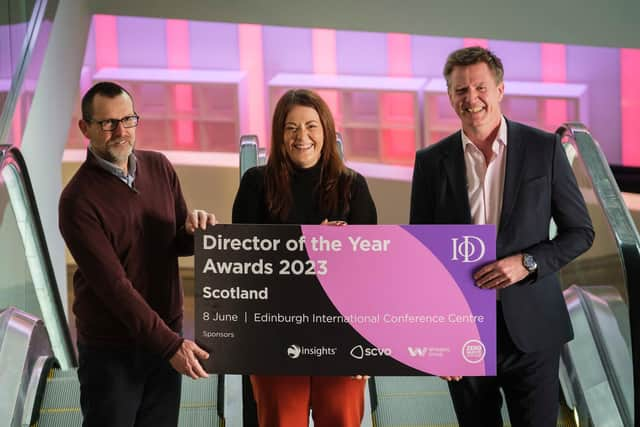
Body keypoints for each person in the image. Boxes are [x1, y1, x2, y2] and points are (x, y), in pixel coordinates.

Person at [410, 47, 594, 427]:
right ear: (449, 96)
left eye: (480, 87)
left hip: (533, 328)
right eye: (460, 90)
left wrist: (527, 263)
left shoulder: (544, 149)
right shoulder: (431, 162)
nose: (471, 99)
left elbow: (580, 232)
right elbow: (422, 256)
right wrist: (436, 340)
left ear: (500, 90)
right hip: (463, 331)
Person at [59, 81, 215, 427]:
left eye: (128, 120)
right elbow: (114, 286)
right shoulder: (77, 200)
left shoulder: (159, 167)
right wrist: (171, 345)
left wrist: (194, 233)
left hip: (163, 340)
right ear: (85, 128)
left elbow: (174, 242)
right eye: (107, 123)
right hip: (112, 350)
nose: (120, 131)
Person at [232, 89, 377, 427]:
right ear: (279, 134)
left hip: (340, 340)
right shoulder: (256, 184)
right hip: (275, 338)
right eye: (291, 127)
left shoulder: (353, 186)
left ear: (325, 130)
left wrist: (369, 348)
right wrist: (311, 246)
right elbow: (243, 265)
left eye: (311, 126)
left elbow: (371, 276)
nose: (302, 137)